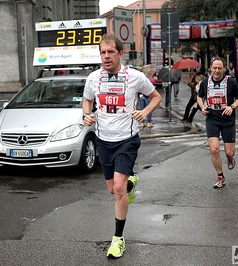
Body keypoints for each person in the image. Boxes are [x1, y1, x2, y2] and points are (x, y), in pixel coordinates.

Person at [82, 33, 162, 259]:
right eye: (103, 53)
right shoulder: (93, 78)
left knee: (117, 188)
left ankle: (118, 239)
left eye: (110, 52)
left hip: (126, 140)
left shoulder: (135, 77)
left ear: (120, 53)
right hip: (103, 140)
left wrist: (144, 112)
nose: (106, 57)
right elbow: (87, 100)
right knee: (113, 189)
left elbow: (155, 97)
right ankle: (130, 183)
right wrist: (87, 115)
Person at [197, 57, 238, 189]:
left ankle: (229, 158)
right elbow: (199, 97)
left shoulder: (231, 82)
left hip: (227, 119)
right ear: (210, 69)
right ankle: (220, 176)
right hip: (212, 118)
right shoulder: (205, 83)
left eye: (220, 68)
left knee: (229, 152)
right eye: (215, 68)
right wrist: (202, 107)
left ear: (224, 69)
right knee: (214, 149)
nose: (217, 70)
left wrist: (232, 107)